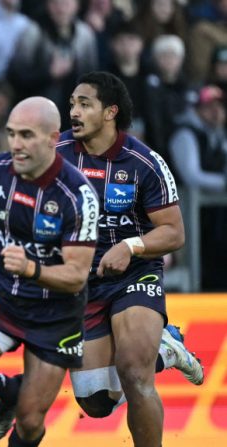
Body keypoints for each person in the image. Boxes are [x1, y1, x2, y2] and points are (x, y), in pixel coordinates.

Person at [0, 96, 100, 447]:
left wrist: (30, 268)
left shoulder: (76, 196)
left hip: (56, 314)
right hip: (3, 296)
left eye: (26, 135)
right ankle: (9, 390)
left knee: (28, 423)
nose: (16, 144)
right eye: (11, 134)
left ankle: (20, 402)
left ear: (53, 138)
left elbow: (76, 276)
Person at [59, 71, 203, 447]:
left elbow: (174, 233)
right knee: (95, 403)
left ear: (110, 112)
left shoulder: (144, 162)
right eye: (72, 103)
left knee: (134, 373)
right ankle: (165, 349)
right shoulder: (54, 155)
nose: (73, 111)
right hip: (84, 284)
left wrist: (131, 247)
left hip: (135, 275)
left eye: (84, 104)